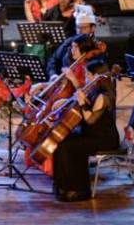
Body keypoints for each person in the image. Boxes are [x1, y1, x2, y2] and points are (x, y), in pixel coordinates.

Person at [47, 37, 119, 202]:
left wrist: (81, 102)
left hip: (103, 139)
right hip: (91, 134)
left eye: (88, 75)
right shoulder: (93, 90)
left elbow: (90, 120)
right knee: (61, 142)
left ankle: (77, 190)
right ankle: (62, 186)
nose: (85, 77)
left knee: (69, 147)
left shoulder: (103, 96)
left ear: (96, 77)